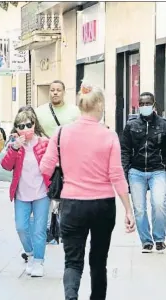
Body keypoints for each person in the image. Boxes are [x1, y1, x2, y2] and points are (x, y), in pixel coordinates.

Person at [40, 82, 135, 300]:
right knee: (99, 260)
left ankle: (71, 296)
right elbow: (116, 174)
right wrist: (128, 209)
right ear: (99, 104)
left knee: (72, 261)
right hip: (103, 205)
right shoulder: (109, 136)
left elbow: (44, 168)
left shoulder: (61, 133)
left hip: (72, 204)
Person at [1, 109, 51, 277]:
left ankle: (38, 261)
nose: (25, 129)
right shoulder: (15, 146)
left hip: (42, 193)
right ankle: (30, 254)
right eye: (21, 126)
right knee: (21, 227)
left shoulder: (44, 143)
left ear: (34, 124)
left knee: (39, 229)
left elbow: (53, 164)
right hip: (21, 194)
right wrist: (15, 148)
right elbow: (6, 166)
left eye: (28, 125)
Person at [35, 80, 80, 244]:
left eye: (58, 90)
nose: (55, 93)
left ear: (63, 92)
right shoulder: (40, 112)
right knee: (48, 193)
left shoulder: (74, 111)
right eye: (52, 90)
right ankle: (49, 228)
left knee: (67, 194)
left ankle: (64, 226)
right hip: (46, 159)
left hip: (69, 160)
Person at [121, 92, 166, 253]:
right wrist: (124, 174)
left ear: (154, 106)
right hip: (136, 171)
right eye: (142, 103)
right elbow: (125, 151)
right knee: (139, 209)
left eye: (148, 103)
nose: (145, 106)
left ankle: (160, 239)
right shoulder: (131, 125)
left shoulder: (163, 124)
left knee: (159, 204)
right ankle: (146, 241)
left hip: (157, 170)